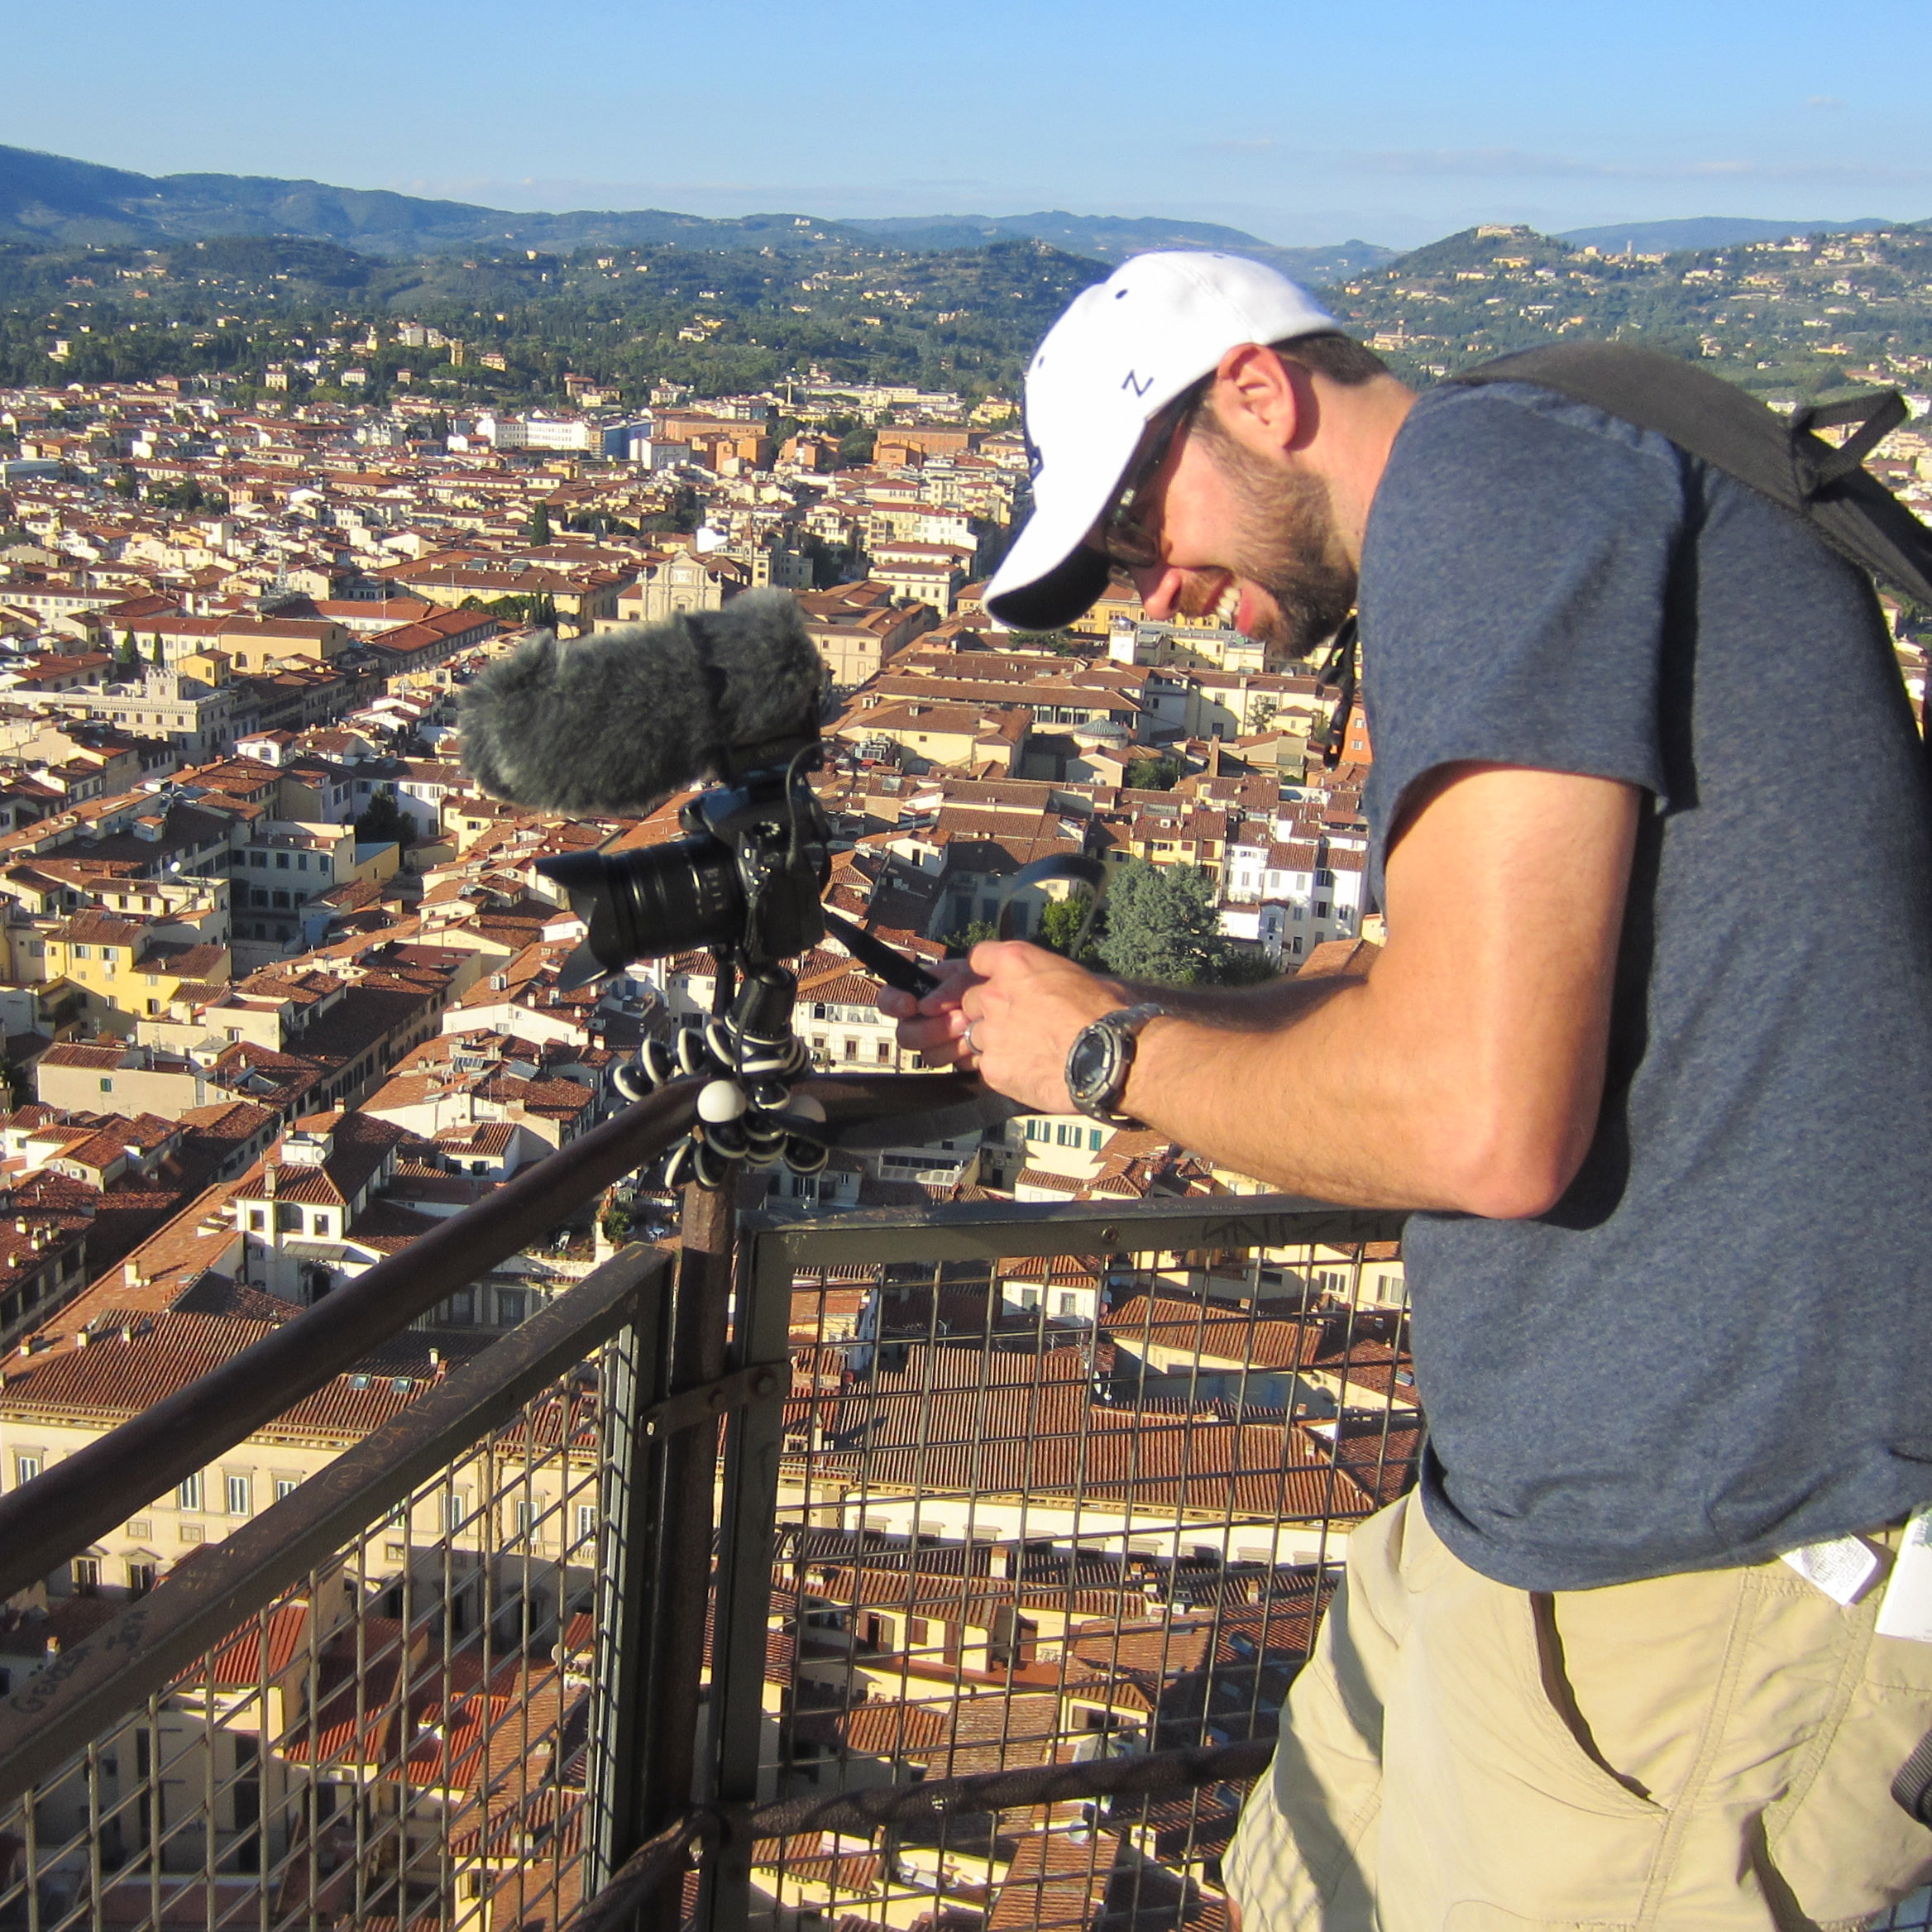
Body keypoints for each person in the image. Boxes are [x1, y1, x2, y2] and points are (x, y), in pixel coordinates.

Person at [879, 251, 1932, 1930]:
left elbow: (1476, 1124)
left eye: (1142, 526)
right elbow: (1414, 996)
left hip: (1716, 1552)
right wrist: (1128, 1003)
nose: (1155, 590)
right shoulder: (1546, 467)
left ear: (1256, 392)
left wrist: (1102, 1062)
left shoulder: (1484, 482)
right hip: (1544, 1509)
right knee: (1296, 1873)